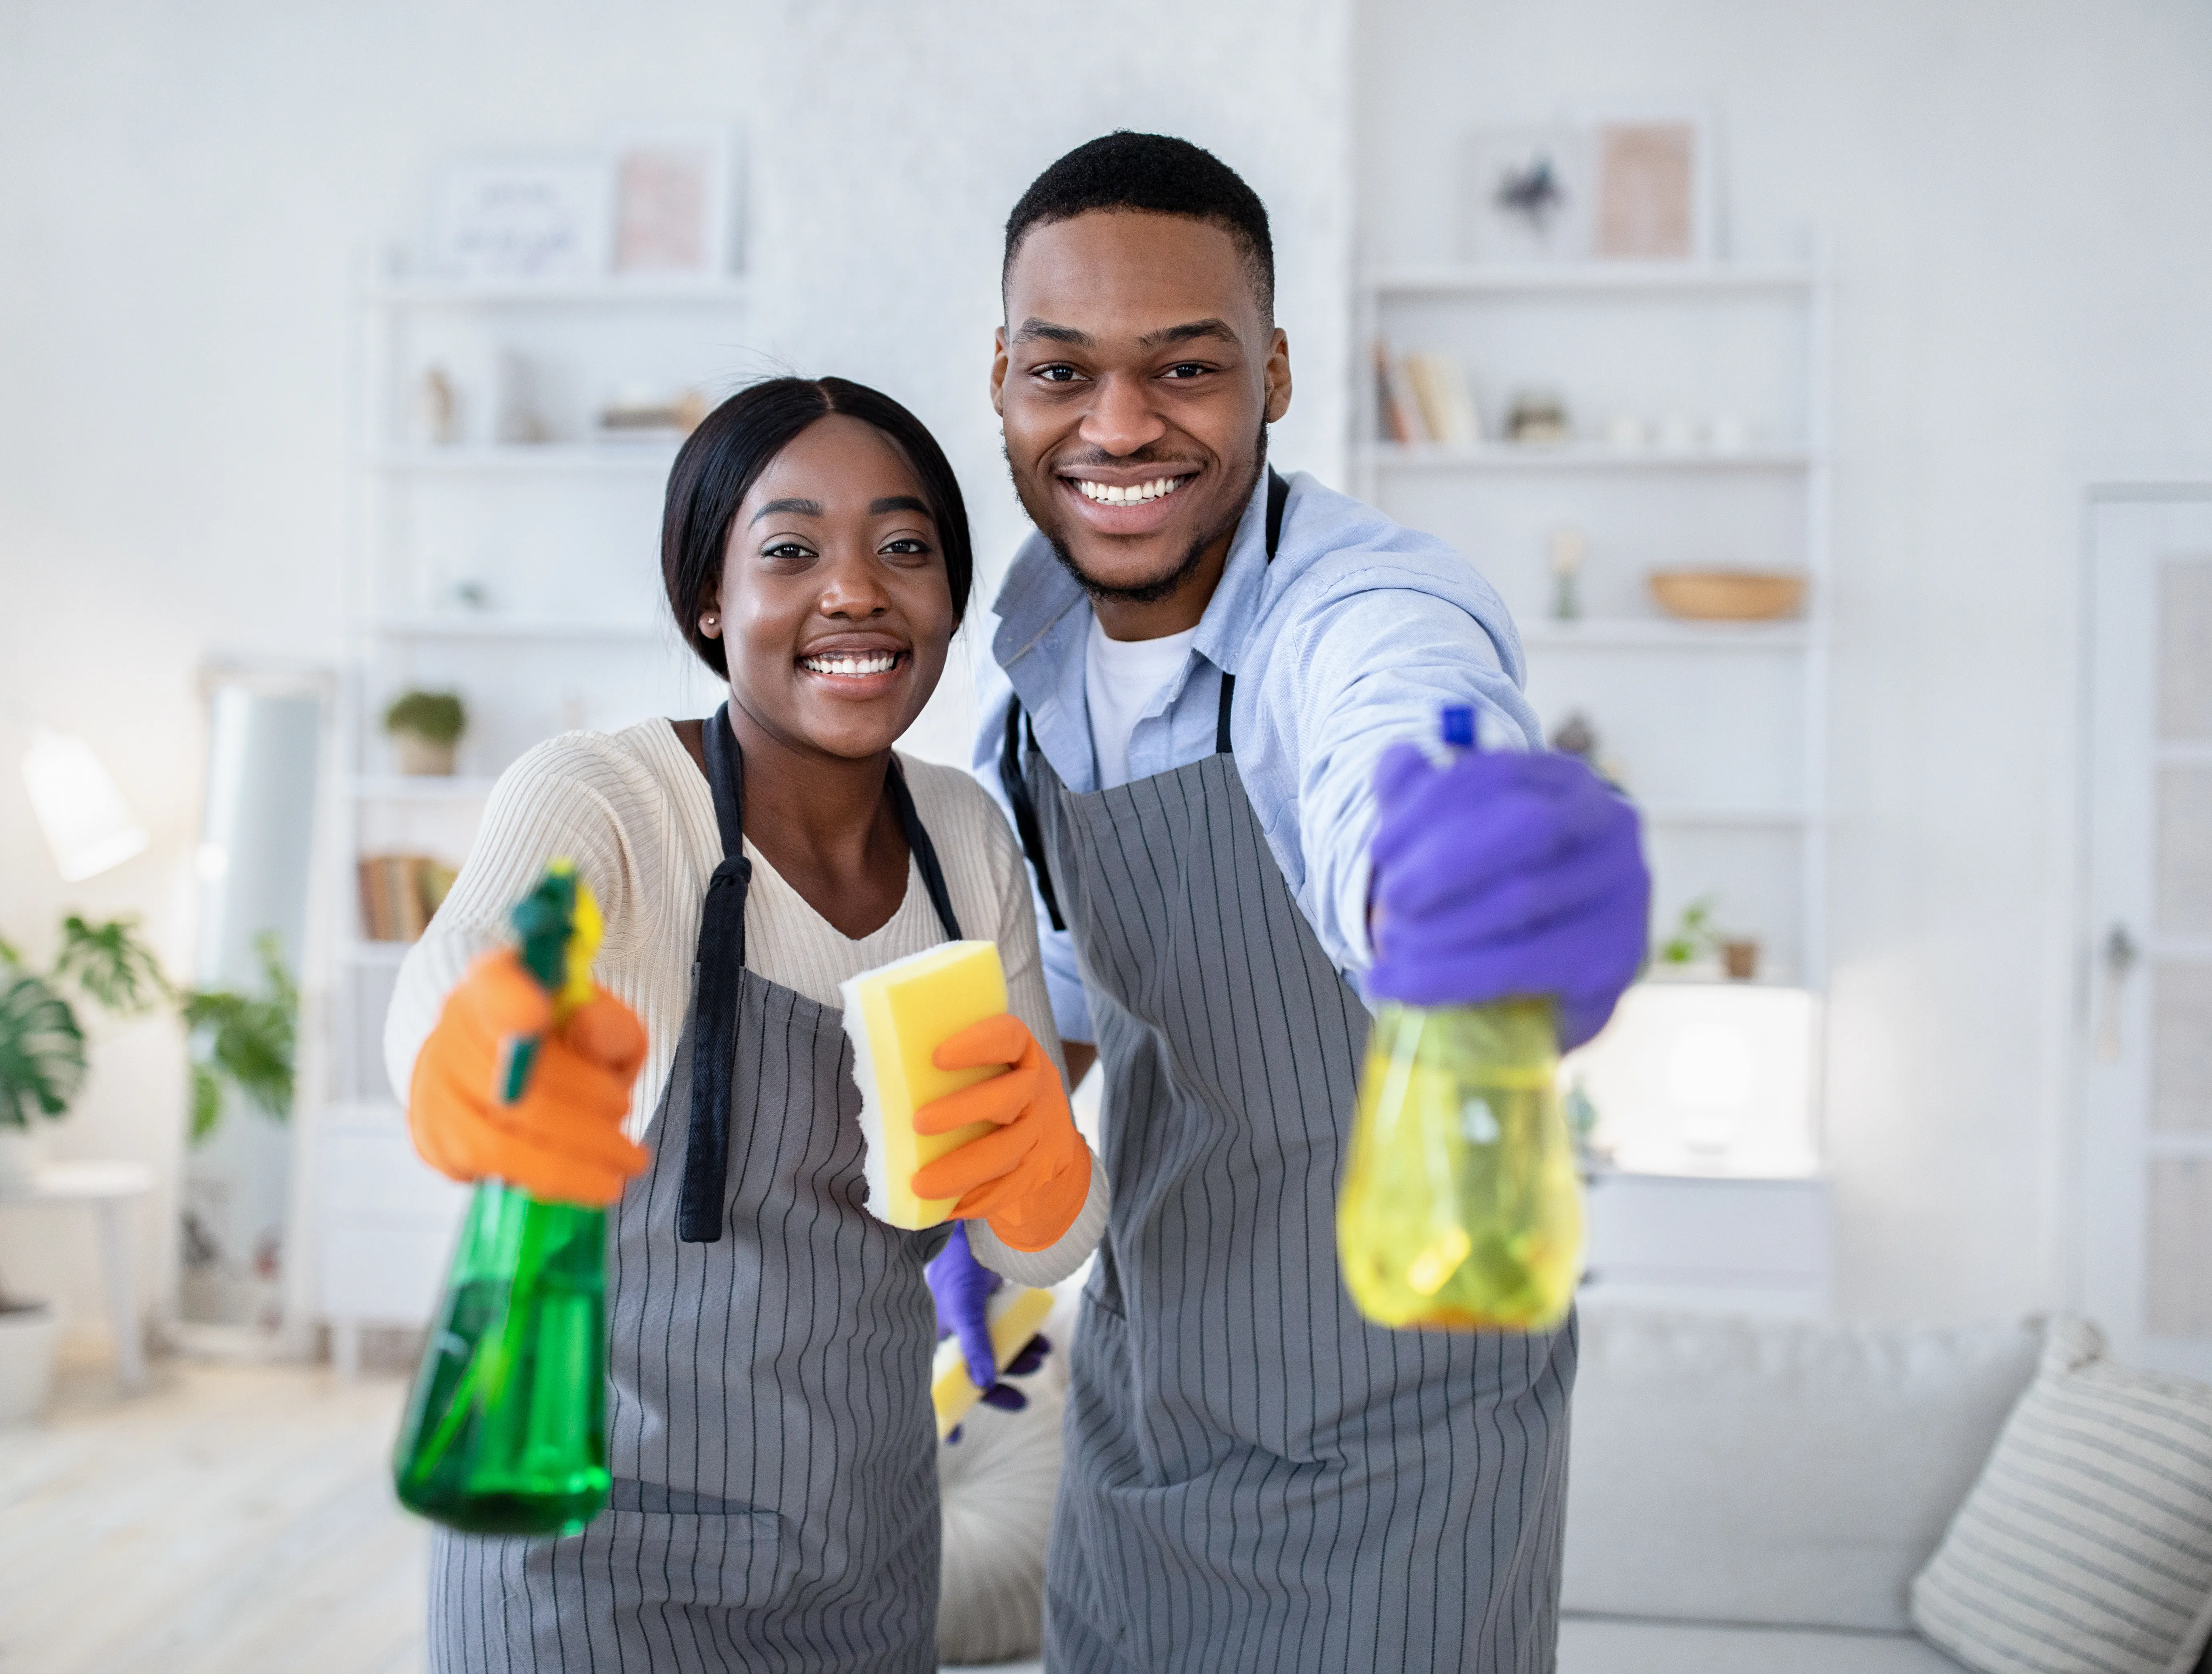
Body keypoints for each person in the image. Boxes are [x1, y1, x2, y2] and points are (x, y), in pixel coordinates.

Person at [969, 134, 1651, 1671]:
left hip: (1412, 1451)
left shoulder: (1359, 610)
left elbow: (1388, 744)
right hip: (1142, 1425)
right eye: (1063, 371)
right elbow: (1081, 973)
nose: (1120, 425)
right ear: (1001, 378)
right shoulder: (1024, 662)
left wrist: (1453, 868)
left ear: (1275, 374)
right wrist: (985, 1167)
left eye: (1186, 367)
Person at [387, 376, 1106, 1672]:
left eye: (905, 547)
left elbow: (1033, 1245)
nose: (856, 592)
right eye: (791, 551)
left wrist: (1046, 1169)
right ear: (710, 602)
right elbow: (466, 968)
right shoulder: (607, 800)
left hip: (864, 1557)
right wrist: (474, 1048)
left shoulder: (966, 840)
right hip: (584, 1558)